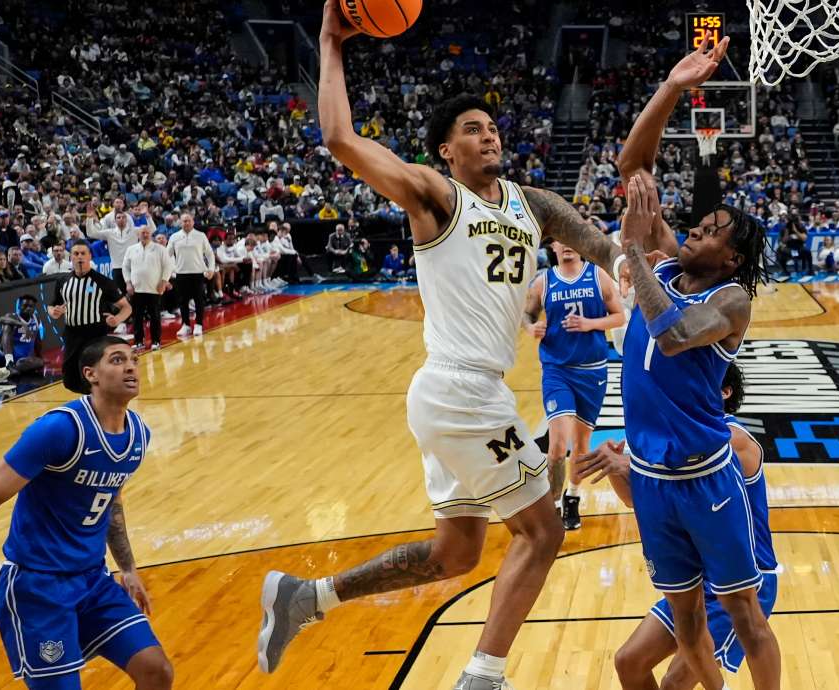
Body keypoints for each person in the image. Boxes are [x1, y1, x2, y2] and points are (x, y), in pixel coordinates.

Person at [257, 4, 627, 687]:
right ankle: (483, 676)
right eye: (471, 131)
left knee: (457, 553)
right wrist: (332, 43)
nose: (488, 137)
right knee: (543, 534)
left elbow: (596, 241)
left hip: (466, 393)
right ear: (445, 152)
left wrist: (633, 261)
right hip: (459, 389)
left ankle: (308, 598)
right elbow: (340, 138)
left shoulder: (531, 204)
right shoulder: (436, 198)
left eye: (491, 127)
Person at [610, 36, 780, 690]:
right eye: (698, 226)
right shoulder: (671, 263)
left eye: (710, 231)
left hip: (705, 475)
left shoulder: (730, 299)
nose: (695, 232)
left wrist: (634, 251)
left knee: (742, 609)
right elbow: (634, 166)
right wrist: (673, 87)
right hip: (653, 476)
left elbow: (676, 334)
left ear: (731, 257)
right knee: (681, 627)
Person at [0, 337, 174, 689]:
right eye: (118, 360)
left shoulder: (138, 434)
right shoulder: (59, 429)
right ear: (90, 374)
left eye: (134, 361)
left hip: (93, 580)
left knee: (157, 670)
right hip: (38, 587)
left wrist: (127, 567)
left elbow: (110, 500)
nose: (130, 368)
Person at [575, 366, 779, 689]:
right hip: (698, 581)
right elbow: (633, 499)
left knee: (673, 684)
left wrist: (629, 463)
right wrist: (614, 466)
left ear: (723, 393)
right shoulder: (664, 439)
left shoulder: (735, 439)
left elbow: (690, 465)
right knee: (629, 662)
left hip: (745, 578)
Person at [522, 240, 624, 529]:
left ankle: (573, 497)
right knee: (557, 445)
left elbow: (620, 316)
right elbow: (527, 314)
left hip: (592, 372)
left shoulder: (598, 275)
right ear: (553, 246)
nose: (567, 246)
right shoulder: (543, 281)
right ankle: (553, 506)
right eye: (561, 241)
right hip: (557, 370)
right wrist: (532, 327)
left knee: (580, 445)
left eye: (572, 241)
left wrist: (590, 324)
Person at [48, 240, 132, 393]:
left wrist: (117, 319)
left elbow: (126, 307)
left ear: (89, 256)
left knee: (93, 375)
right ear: (71, 257)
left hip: (95, 334)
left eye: (83, 253)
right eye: (76, 254)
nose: (79, 257)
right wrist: (53, 312)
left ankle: (96, 405)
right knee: (70, 380)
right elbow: (52, 305)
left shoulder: (103, 282)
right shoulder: (63, 281)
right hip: (72, 333)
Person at [122, 225, 174, 351]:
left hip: (154, 289)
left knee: (155, 316)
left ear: (150, 234)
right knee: (137, 317)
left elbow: (168, 266)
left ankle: (156, 341)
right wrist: (128, 282)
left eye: (147, 233)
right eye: (142, 233)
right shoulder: (131, 249)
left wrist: (163, 281)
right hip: (137, 289)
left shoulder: (160, 249)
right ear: (138, 235)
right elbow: (125, 267)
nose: (144, 235)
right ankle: (138, 341)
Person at [167, 213, 216, 338]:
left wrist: (211, 269)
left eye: (188, 221)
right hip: (181, 274)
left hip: (198, 273)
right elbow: (168, 255)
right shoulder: (174, 237)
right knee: (183, 301)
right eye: (184, 221)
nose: (186, 223)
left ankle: (199, 324)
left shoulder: (200, 236)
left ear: (193, 222)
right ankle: (185, 325)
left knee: (199, 299)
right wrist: (172, 269)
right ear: (180, 223)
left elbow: (210, 254)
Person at [0, 294, 45, 376]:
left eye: (31, 307)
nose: (28, 308)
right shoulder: (13, 316)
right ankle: (9, 363)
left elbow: (37, 340)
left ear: (34, 308)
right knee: (8, 325)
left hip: (19, 358)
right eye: (25, 306)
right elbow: (1, 319)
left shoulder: (36, 319)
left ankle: (7, 370)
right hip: (1, 355)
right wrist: (22, 324)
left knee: (40, 362)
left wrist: (39, 356)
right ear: (19, 306)